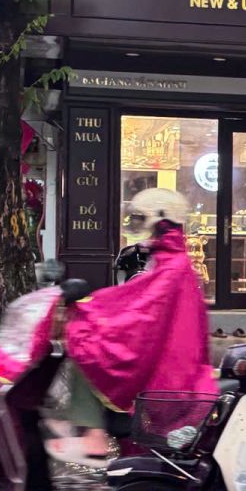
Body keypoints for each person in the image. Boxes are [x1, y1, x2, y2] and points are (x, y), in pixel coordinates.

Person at [55, 187, 216, 462]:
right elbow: (138, 300)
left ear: (158, 222)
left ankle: (94, 435)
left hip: (167, 372)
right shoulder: (170, 261)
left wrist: (89, 310)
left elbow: (144, 312)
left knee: (84, 345)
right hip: (169, 361)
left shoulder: (172, 266)